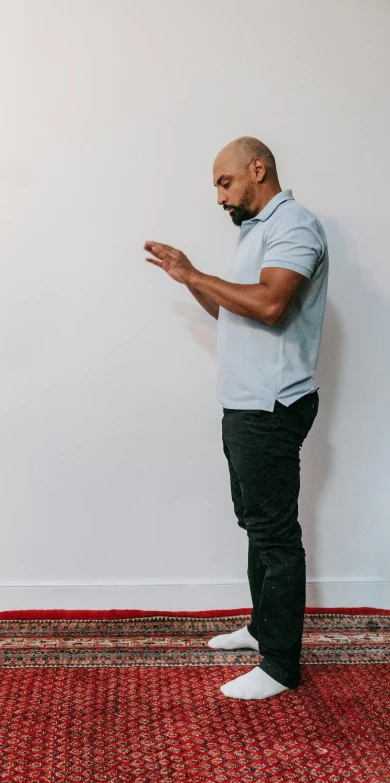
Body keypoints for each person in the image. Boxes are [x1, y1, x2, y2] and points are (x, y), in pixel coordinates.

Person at [143, 136, 328, 700]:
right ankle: (261, 629)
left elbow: (271, 305)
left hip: (273, 404)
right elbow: (234, 308)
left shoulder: (292, 224)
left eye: (225, 183)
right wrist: (190, 277)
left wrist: (198, 275)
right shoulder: (255, 233)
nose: (220, 197)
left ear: (258, 168)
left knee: (276, 533)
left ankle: (280, 665)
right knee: (254, 523)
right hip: (245, 402)